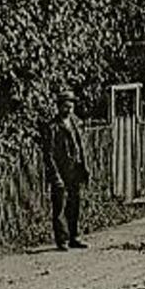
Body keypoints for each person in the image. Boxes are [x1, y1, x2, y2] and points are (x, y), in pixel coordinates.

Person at [42, 88, 90, 251]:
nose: (68, 109)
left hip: (75, 169)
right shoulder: (52, 127)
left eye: (70, 106)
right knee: (60, 205)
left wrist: (84, 167)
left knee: (75, 203)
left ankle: (74, 236)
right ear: (59, 107)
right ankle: (61, 239)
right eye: (65, 106)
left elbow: (82, 146)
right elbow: (49, 155)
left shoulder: (76, 123)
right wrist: (54, 175)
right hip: (61, 170)